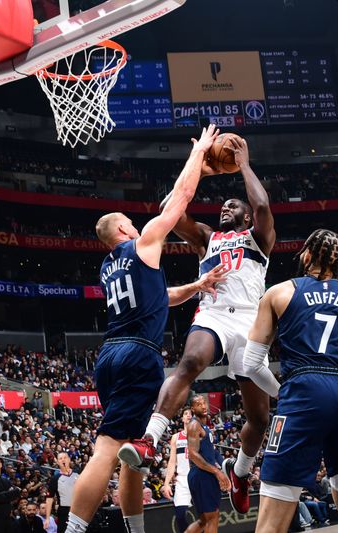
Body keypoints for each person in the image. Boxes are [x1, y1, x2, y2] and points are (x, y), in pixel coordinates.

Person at [64, 125, 224, 533]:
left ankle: (136, 531)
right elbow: (179, 200)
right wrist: (199, 154)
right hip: (138, 354)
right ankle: (73, 530)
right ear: (122, 230)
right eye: (132, 223)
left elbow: (160, 296)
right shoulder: (141, 243)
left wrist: (197, 287)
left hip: (112, 354)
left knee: (130, 452)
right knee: (107, 448)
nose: (139, 226)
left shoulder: (108, 267)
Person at [121, 136, 276, 514]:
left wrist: (242, 164)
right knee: (190, 363)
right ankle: (149, 439)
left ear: (244, 216)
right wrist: (199, 171)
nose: (227, 207)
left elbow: (262, 204)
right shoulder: (208, 237)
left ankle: (240, 472)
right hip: (215, 314)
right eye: (223, 204)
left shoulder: (258, 239)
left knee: (259, 418)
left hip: (252, 325)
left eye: (233, 205)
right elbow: (168, 210)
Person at [240, 229, 338, 533]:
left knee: (271, 524)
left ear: (308, 256)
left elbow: (251, 363)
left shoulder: (279, 292)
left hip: (305, 389)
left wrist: (283, 393)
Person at [184, 395, 229, 533]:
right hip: (202, 475)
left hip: (203, 474)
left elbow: (213, 451)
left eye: (204, 402)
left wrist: (225, 465)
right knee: (212, 517)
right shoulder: (194, 425)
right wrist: (217, 471)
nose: (203, 406)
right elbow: (193, 454)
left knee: (204, 520)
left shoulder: (204, 425)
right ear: (192, 408)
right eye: (198, 404)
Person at [161, 409, 193, 533]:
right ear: (182, 419)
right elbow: (172, 462)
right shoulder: (176, 437)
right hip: (182, 478)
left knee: (205, 515)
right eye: (186, 413)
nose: (189, 415)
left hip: (198, 477)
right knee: (180, 515)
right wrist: (166, 483)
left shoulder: (201, 434)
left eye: (191, 413)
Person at [45, 453, 77, 533]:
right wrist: (47, 518)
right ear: (58, 462)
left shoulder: (78, 474)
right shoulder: (55, 479)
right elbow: (49, 499)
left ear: (69, 460)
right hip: (64, 511)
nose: (63, 460)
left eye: (65, 457)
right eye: (60, 458)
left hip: (79, 510)